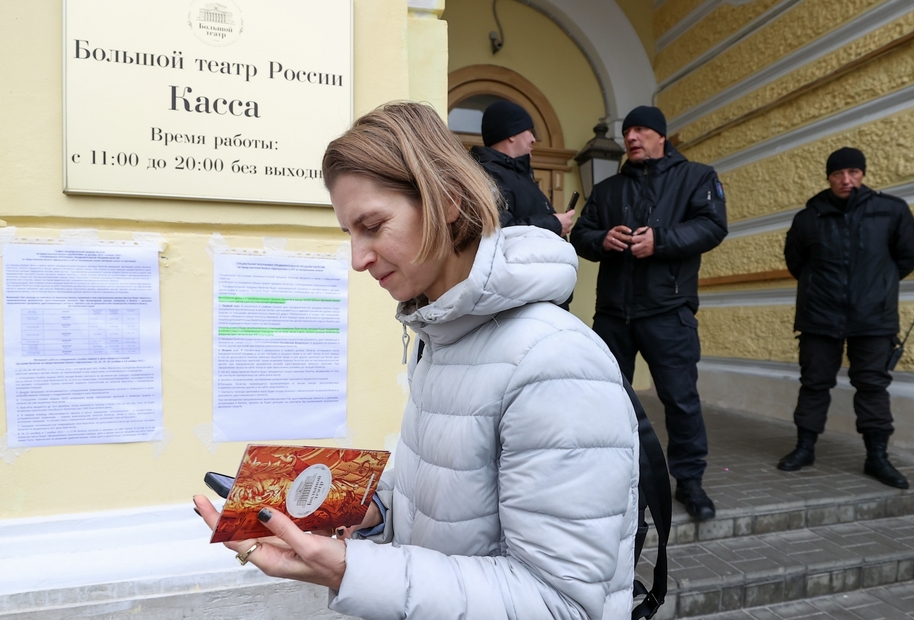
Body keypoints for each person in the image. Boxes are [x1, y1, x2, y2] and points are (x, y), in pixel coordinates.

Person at [194, 101, 640, 619]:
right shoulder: (445, 335)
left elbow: (560, 603)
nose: (358, 259)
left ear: (446, 201)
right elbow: (452, 502)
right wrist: (362, 507)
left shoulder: (555, 362)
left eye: (373, 226)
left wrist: (348, 569)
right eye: (350, 234)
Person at [570, 105, 727, 522]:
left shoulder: (697, 177)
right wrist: (603, 238)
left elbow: (713, 226)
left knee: (680, 400)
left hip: (668, 311)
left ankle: (689, 483)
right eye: (628, 132)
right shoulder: (607, 190)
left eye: (641, 130)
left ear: (660, 135)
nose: (632, 138)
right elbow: (581, 236)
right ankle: (610, 477)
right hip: (613, 313)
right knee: (607, 398)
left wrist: (661, 240)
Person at [779, 147, 914, 488]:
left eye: (853, 173)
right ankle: (804, 448)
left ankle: (877, 457)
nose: (846, 180)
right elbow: (796, 262)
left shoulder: (890, 211)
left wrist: (878, 285)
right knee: (814, 384)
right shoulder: (808, 217)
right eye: (838, 174)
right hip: (820, 315)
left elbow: (909, 255)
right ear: (828, 177)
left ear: (863, 174)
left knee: (873, 386)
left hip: (873, 317)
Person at [469, 100, 575, 238]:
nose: (533, 139)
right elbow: (499, 230)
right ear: (511, 134)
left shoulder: (523, 176)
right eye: (529, 131)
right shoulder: (487, 174)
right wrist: (554, 224)